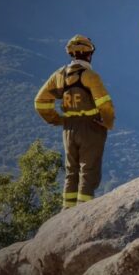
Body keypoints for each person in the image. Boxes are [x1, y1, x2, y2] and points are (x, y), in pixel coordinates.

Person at [34, 35, 115, 209]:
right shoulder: (91, 76)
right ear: (89, 54)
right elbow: (105, 104)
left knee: (71, 172)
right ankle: (82, 212)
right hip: (91, 126)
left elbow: (40, 102)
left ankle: (67, 211)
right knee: (88, 171)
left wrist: (57, 120)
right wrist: (108, 122)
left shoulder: (59, 76)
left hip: (68, 128)